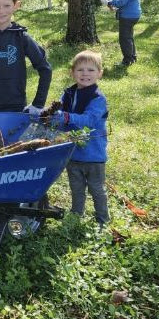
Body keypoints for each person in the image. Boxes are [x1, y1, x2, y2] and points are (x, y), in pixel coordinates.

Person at [49, 50, 109, 225]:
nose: (85, 74)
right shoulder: (68, 94)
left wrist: (68, 117)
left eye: (91, 70)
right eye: (80, 69)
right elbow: (60, 117)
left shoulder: (98, 99)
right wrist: (52, 118)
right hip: (73, 153)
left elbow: (89, 120)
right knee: (76, 188)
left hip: (93, 155)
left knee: (96, 189)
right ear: (72, 72)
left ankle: (102, 219)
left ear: (99, 73)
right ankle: (76, 214)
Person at [102, 0, 141, 66]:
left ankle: (127, 61)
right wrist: (112, 1)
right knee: (129, 37)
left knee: (124, 38)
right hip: (133, 13)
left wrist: (109, 2)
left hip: (128, 15)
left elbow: (122, 1)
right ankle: (132, 57)